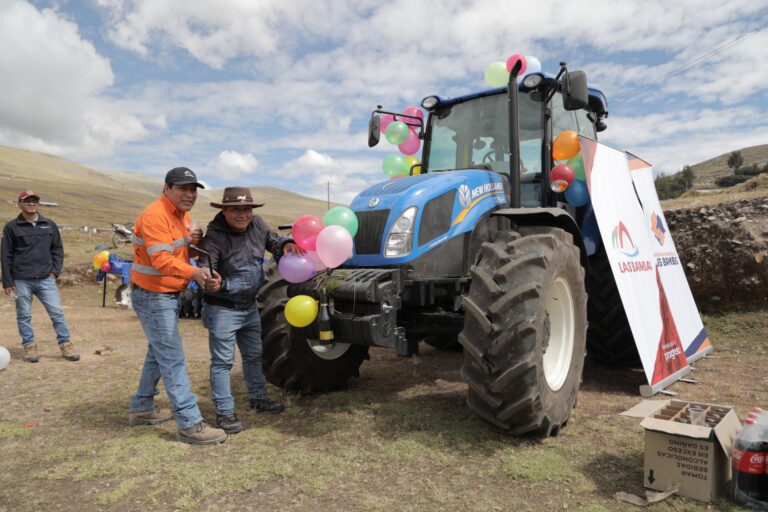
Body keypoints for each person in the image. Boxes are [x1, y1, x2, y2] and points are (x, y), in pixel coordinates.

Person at [128, 167, 227, 445]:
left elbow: (182, 251)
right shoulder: (154, 215)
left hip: (167, 293)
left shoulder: (181, 216)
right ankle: (189, 423)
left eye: (193, 189)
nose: (190, 194)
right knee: (171, 357)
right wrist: (195, 273)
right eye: (183, 188)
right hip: (152, 294)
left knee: (158, 352)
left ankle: (142, 407)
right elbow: (161, 260)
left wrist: (199, 256)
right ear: (167, 188)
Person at [199, 187, 301, 434]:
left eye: (247, 209)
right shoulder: (213, 238)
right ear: (224, 211)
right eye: (236, 209)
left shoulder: (258, 225)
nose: (243, 214)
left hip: (249, 307)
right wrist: (210, 279)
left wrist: (285, 243)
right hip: (223, 308)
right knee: (223, 362)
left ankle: (258, 398)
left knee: (254, 355)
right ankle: (224, 412)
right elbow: (204, 266)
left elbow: (273, 240)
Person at [1, 190, 79, 363]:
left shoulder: (49, 225)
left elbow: (57, 249)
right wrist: (7, 281)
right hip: (21, 279)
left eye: (34, 200)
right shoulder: (12, 227)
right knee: (24, 315)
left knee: (57, 313)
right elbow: (5, 255)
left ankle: (66, 344)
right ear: (19, 203)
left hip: (46, 279)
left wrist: (55, 272)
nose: (31, 203)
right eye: (27, 200)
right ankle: (30, 346)